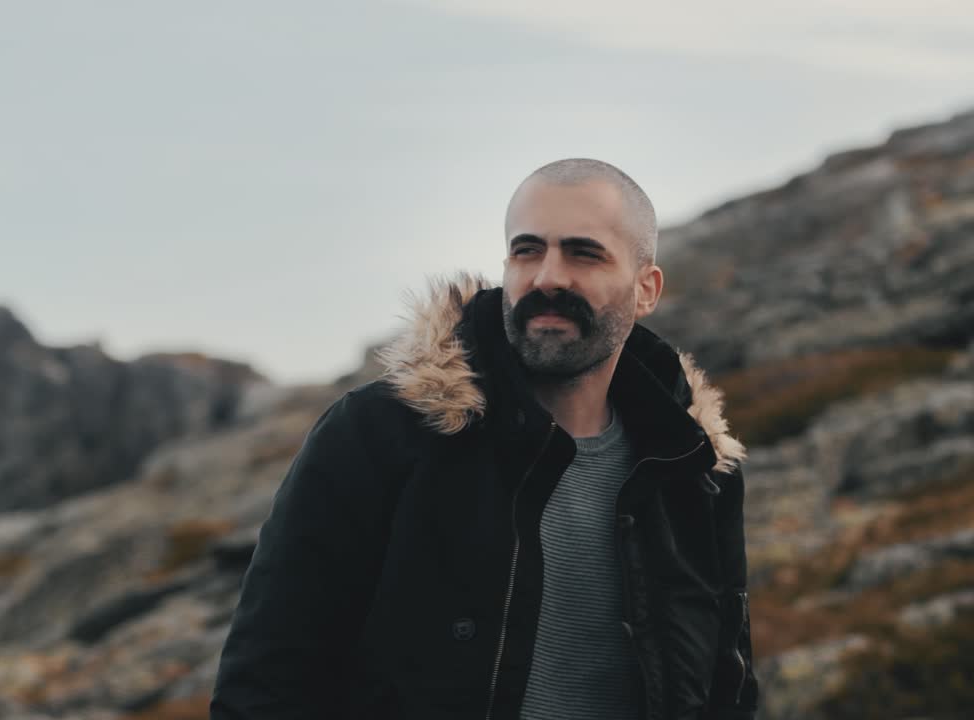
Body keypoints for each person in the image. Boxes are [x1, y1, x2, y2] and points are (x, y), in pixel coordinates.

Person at [210, 159, 759, 719]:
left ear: (646, 289)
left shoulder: (694, 469)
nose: (548, 277)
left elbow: (729, 691)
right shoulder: (381, 432)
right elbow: (265, 684)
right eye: (527, 250)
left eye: (584, 253)